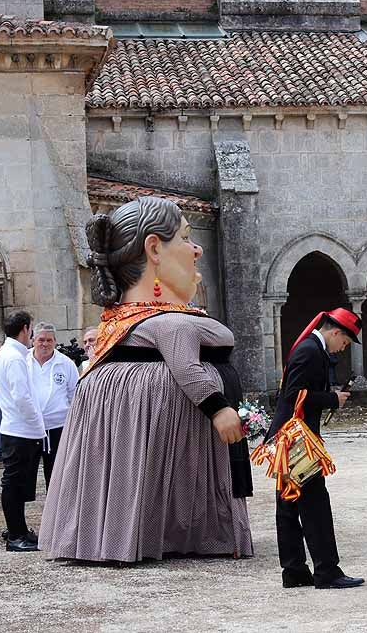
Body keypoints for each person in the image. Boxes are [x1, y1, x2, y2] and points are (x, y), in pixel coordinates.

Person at [41, 197, 253, 563]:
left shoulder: (123, 324)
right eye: (186, 238)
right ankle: (167, 530)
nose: (197, 249)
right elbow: (187, 369)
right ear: (154, 248)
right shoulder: (168, 324)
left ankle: (128, 531)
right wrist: (219, 408)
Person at [265, 308, 362, 588]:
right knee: (315, 504)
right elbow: (293, 394)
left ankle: (294, 571)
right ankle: (326, 571)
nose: (343, 349)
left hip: (288, 437)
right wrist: (333, 398)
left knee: (288, 504)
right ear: (334, 332)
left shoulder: (311, 348)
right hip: (296, 441)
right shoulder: (311, 350)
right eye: (344, 342)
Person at [0, 311, 44, 552]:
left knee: (19, 483)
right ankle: (15, 535)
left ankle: (21, 529)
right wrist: (36, 422)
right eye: (31, 329)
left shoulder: (10, 353)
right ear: (25, 329)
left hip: (19, 428)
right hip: (21, 429)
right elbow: (22, 397)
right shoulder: (13, 357)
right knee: (13, 483)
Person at [28, 323, 78, 488]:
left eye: (49, 340)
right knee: (25, 477)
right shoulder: (23, 361)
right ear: (33, 340)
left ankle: (55, 510)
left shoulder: (66, 363)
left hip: (57, 427)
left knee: (56, 476)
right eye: (41, 339)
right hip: (29, 428)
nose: (45, 344)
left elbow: (74, 394)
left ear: (55, 341)